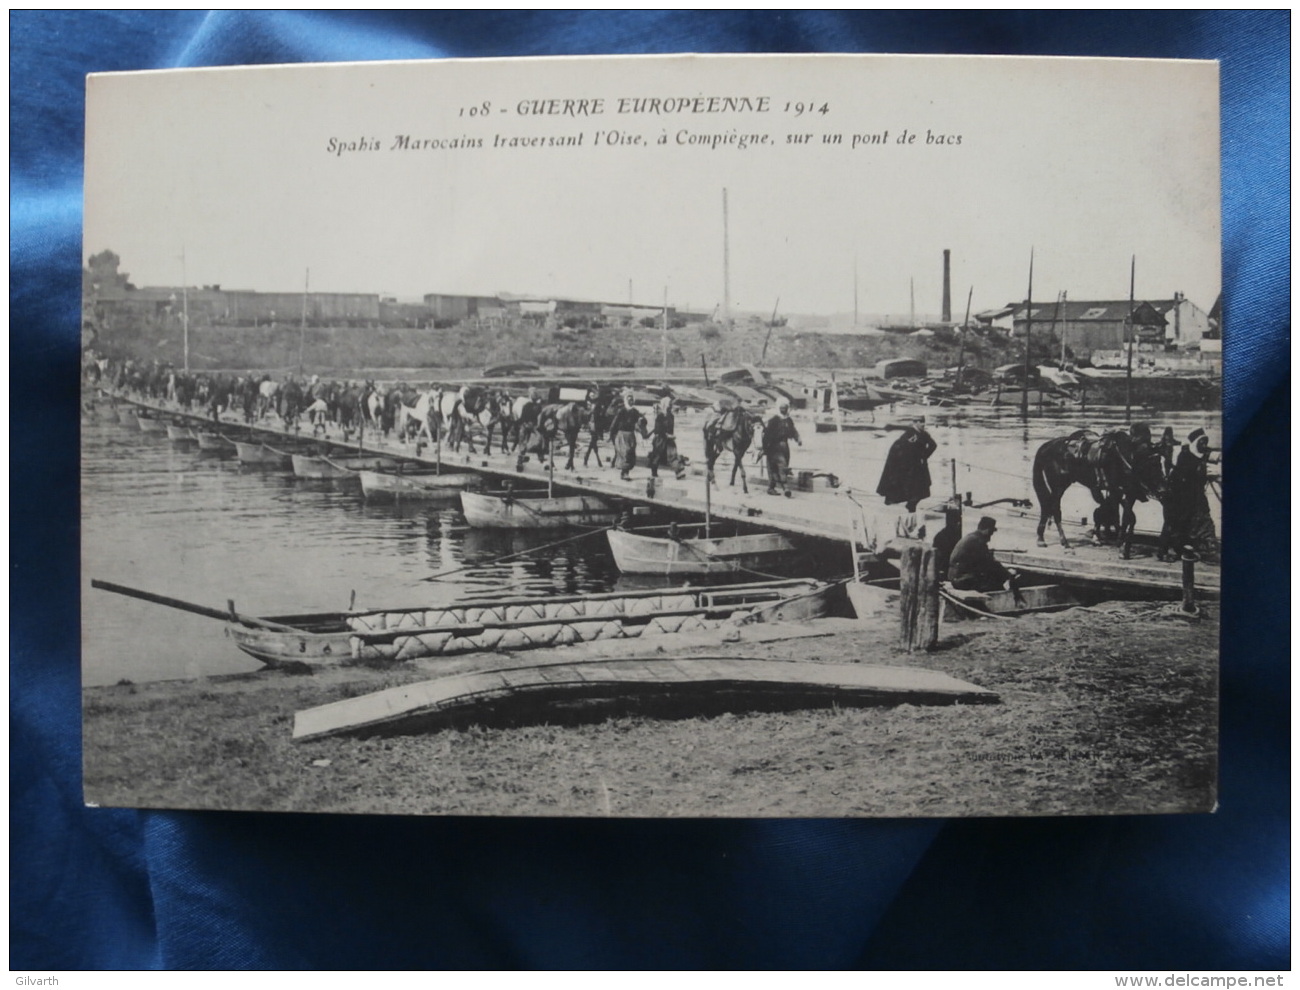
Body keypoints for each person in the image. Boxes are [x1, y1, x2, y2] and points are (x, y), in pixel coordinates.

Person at [1157, 427, 1217, 561]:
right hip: (1178, 497)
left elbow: (1211, 457)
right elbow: (1186, 478)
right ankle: (1164, 552)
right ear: (1195, 443)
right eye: (1201, 442)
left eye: (1205, 442)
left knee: (1198, 521)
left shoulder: (1201, 454)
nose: (1204, 445)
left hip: (1194, 496)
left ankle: (1195, 549)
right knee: (1173, 524)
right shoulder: (1185, 457)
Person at [948, 515, 1024, 602]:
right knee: (995, 583)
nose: (990, 538)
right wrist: (1008, 575)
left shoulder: (970, 537)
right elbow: (990, 564)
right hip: (961, 580)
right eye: (991, 533)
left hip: (955, 578)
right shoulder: (978, 541)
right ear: (987, 530)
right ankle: (1001, 602)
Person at [877, 416, 937, 510]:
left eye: (923, 422)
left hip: (919, 467)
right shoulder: (908, 434)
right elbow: (898, 449)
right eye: (921, 422)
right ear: (915, 422)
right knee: (910, 489)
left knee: (923, 489)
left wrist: (924, 456)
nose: (923, 424)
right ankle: (910, 507)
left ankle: (911, 505)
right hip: (909, 468)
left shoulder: (924, 434)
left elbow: (933, 445)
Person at [761, 399, 802, 497]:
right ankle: (785, 488)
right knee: (781, 466)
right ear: (779, 408)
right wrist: (766, 448)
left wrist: (798, 438)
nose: (784, 409)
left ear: (787, 408)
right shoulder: (774, 420)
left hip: (785, 446)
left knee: (783, 466)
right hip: (774, 447)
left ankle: (771, 488)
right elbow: (766, 434)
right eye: (782, 407)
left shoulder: (788, 420)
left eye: (785, 407)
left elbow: (793, 431)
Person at [607, 392, 647, 480]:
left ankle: (626, 472)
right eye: (629, 400)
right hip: (622, 434)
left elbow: (641, 423)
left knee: (631, 453)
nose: (631, 402)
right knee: (625, 452)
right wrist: (611, 434)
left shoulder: (635, 412)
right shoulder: (621, 411)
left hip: (631, 435)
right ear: (626, 401)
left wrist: (642, 424)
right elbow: (614, 423)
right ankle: (624, 473)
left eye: (632, 400)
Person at [647, 396, 685, 479]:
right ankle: (654, 473)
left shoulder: (671, 416)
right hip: (660, 439)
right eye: (669, 404)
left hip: (669, 440)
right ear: (664, 405)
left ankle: (678, 472)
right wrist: (665, 435)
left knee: (673, 455)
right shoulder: (660, 417)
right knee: (657, 456)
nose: (670, 406)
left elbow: (671, 429)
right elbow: (657, 429)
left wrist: (671, 436)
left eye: (671, 404)